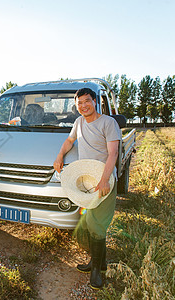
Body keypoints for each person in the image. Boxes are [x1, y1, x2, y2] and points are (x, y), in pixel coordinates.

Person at [53, 87, 121, 289]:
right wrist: (59, 156)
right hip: (86, 181)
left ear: (95, 102)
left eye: (87, 101)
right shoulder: (79, 122)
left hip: (104, 180)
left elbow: (113, 153)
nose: (83, 105)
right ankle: (99, 263)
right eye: (79, 103)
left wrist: (105, 179)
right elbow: (69, 140)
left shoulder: (108, 123)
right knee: (92, 223)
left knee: (97, 226)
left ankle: (96, 273)